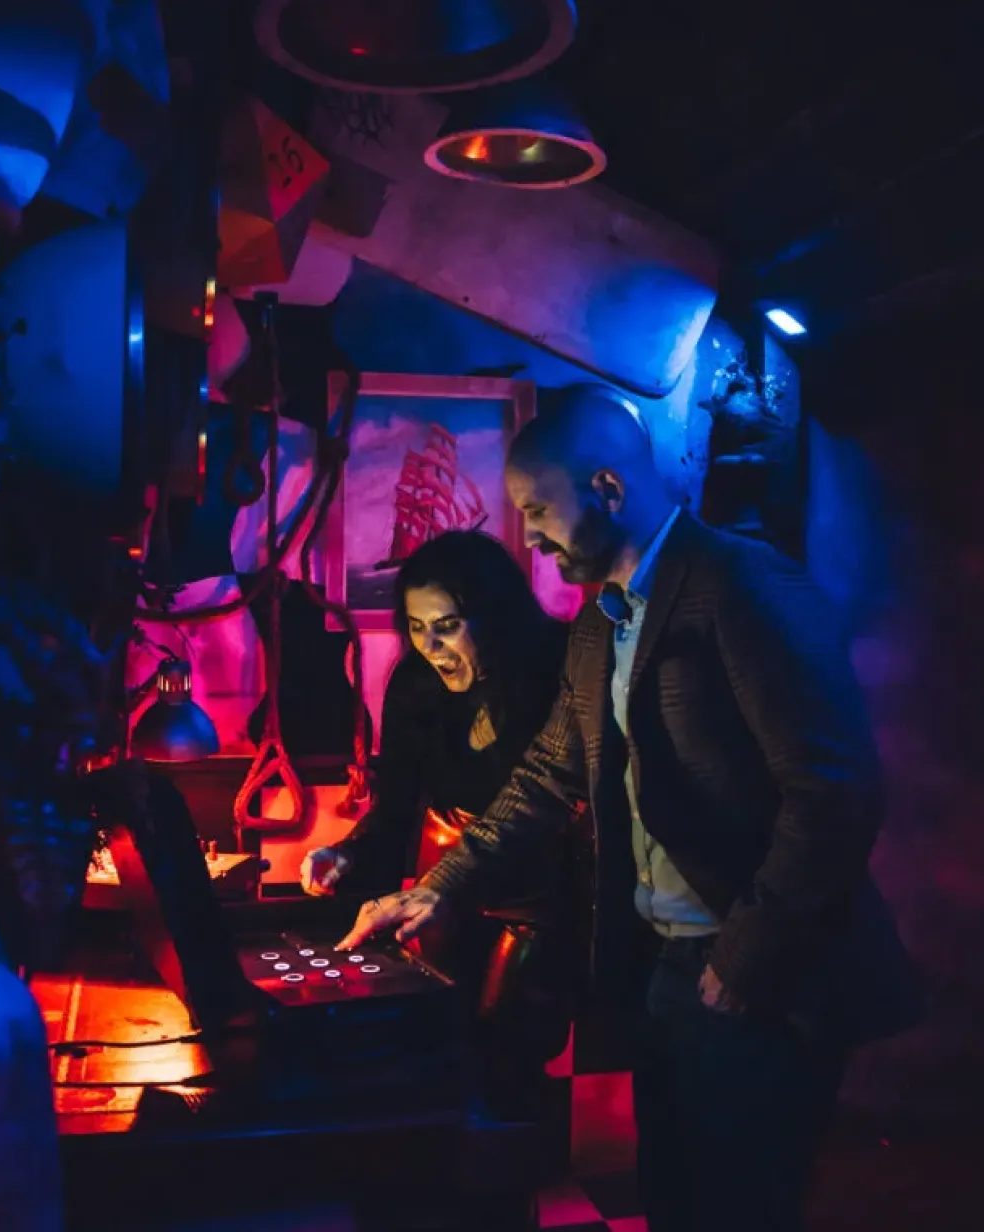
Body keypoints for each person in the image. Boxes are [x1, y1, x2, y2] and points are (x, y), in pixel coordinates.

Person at [338, 388, 922, 1232]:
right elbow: (551, 774)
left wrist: (747, 954)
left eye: (538, 509)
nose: (529, 536)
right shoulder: (596, 624)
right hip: (667, 969)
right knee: (675, 1202)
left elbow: (834, 790)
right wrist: (441, 887)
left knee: (741, 1209)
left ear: (608, 487)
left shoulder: (740, 586)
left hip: (758, 970)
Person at [301, 529, 577, 1095]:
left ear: (493, 618)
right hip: (445, 888)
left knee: (509, 1051)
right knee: (436, 1046)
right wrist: (347, 853)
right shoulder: (413, 683)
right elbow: (396, 803)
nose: (430, 647)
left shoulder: (557, 669)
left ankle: (517, 1167)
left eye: (447, 627)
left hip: (540, 892)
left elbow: (547, 800)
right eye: (416, 627)